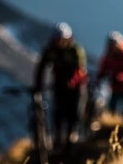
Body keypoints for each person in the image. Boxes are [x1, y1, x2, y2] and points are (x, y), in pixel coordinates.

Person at [33, 22, 88, 151]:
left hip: (76, 87)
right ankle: (58, 139)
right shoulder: (51, 49)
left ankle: (71, 137)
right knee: (58, 112)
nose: (58, 42)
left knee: (73, 112)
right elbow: (41, 67)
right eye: (56, 39)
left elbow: (80, 70)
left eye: (60, 39)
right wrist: (37, 85)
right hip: (59, 85)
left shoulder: (75, 50)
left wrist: (71, 82)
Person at [96, 31, 123, 117]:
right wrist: (100, 77)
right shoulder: (108, 56)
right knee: (112, 110)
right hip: (115, 89)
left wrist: (120, 77)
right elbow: (103, 69)